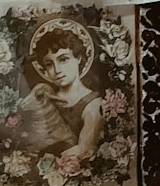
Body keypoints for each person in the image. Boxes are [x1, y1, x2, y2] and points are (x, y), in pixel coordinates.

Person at [18, 20, 105, 162]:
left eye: (63, 59)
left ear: (78, 58)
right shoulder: (44, 95)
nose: (57, 70)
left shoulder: (92, 105)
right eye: (49, 64)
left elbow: (82, 150)